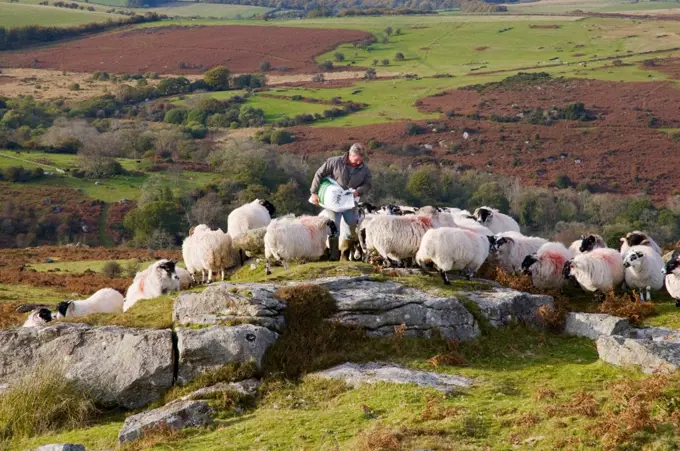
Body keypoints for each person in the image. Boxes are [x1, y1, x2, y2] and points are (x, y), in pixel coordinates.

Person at [309, 143, 372, 256]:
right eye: (357, 159)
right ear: (350, 154)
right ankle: (334, 255)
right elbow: (319, 174)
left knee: (351, 225)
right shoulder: (334, 162)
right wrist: (314, 192)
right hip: (333, 201)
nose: (359, 162)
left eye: (361, 159)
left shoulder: (365, 170)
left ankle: (345, 252)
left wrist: (358, 191)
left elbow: (368, 185)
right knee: (334, 226)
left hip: (350, 202)